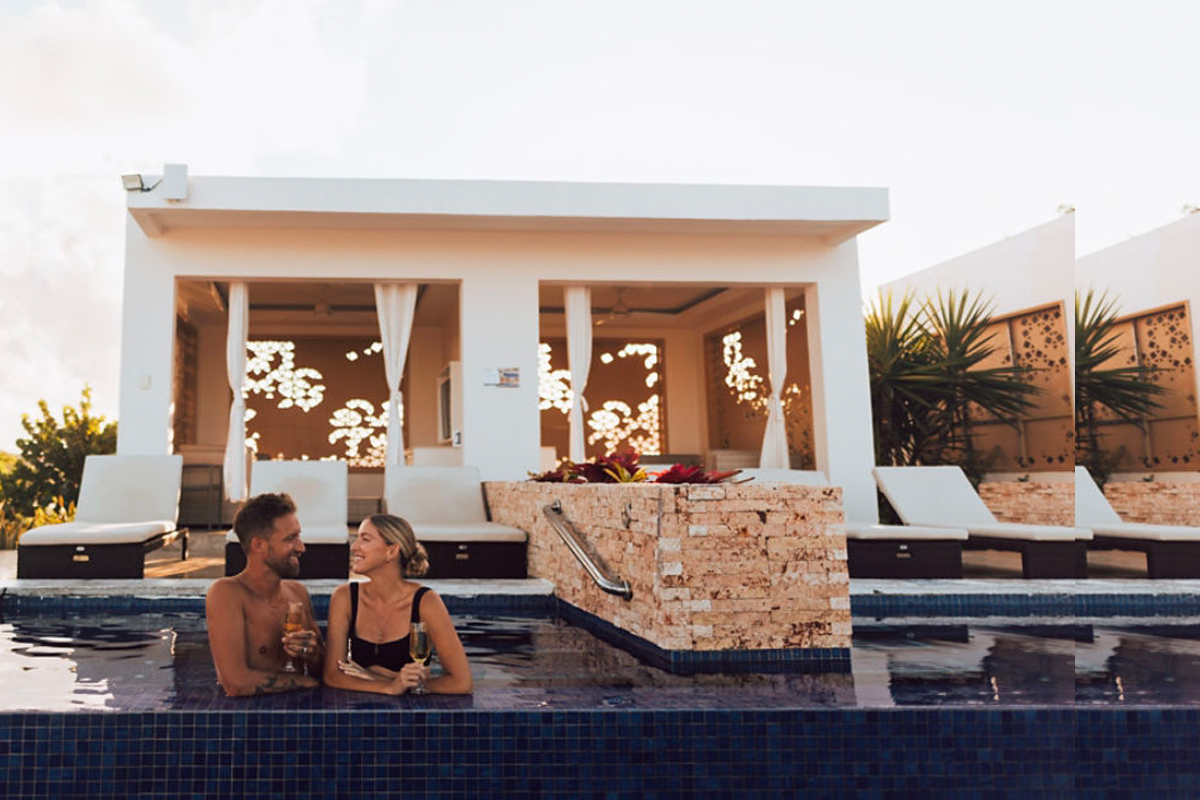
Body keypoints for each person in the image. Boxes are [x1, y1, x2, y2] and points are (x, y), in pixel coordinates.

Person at [322, 514, 472, 695]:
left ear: (392, 551)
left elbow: (461, 682)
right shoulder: (345, 597)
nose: (354, 547)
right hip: (360, 707)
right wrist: (390, 686)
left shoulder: (425, 602)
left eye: (365, 539)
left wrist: (396, 683)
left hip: (413, 710)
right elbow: (332, 675)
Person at [205, 492, 325, 696]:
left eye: (298, 536)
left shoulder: (298, 592)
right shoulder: (227, 594)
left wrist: (312, 653)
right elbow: (235, 683)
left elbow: (322, 669)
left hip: (299, 710)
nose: (301, 547)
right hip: (253, 714)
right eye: (291, 538)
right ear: (258, 545)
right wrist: (305, 682)